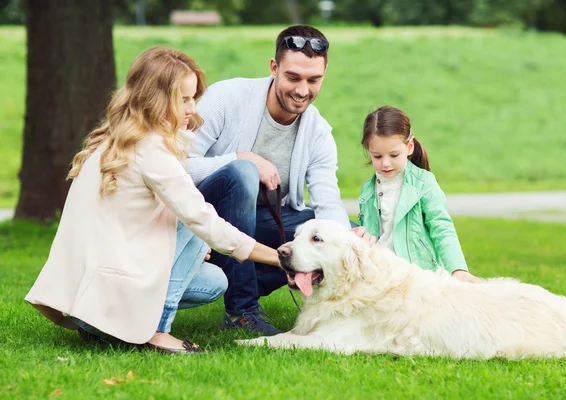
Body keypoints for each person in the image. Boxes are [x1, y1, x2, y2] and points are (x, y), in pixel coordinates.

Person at [24, 46, 280, 354]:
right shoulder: (152, 149)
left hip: (87, 290)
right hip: (112, 283)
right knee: (199, 223)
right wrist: (282, 259)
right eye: (183, 99)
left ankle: (105, 325)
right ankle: (157, 329)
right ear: (158, 99)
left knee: (214, 280)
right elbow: (204, 221)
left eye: (193, 98)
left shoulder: (112, 140)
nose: (192, 108)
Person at [179, 25, 355, 336]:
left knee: (342, 232)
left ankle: (335, 308)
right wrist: (240, 159)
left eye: (314, 80)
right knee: (242, 173)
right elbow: (176, 165)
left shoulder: (319, 134)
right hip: (202, 221)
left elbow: (328, 202)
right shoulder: (227, 97)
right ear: (274, 68)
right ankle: (241, 310)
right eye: (293, 77)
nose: (303, 90)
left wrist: (349, 240)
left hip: (257, 225)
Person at [358, 106, 481, 283]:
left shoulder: (424, 183)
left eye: (394, 155)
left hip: (417, 276)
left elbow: (441, 227)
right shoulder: (367, 190)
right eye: (377, 156)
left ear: (409, 147)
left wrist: (458, 269)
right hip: (380, 275)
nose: (385, 163)